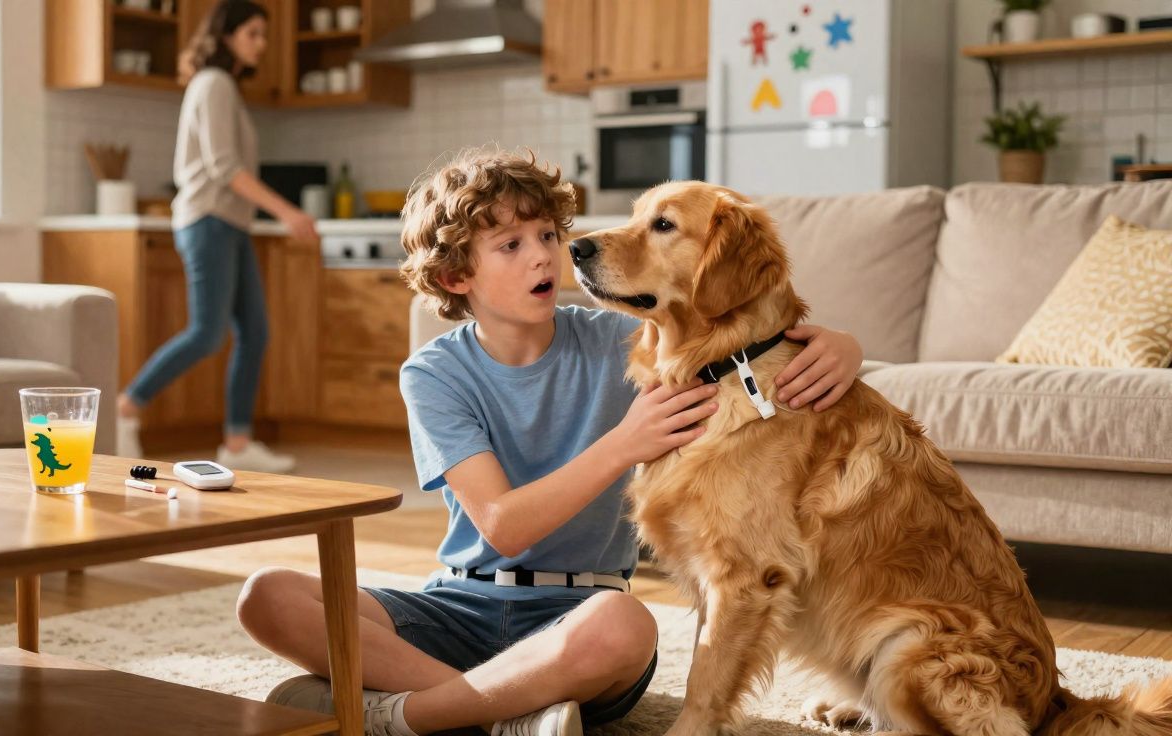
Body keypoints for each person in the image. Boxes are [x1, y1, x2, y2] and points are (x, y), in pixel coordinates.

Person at [234, 149, 864, 735]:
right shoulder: (433, 374)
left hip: (580, 615)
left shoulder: (624, 341)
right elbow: (503, 527)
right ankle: (506, 712)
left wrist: (844, 346)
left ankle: (404, 714)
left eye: (546, 236)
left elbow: (740, 349)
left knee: (626, 624)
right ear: (455, 276)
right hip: (459, 605)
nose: (543, 257)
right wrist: (624, 444)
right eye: (511, 245)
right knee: (267, 595)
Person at [115, 0, 317, 473]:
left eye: (263, 34)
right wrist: (287, 212)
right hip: (207, 221)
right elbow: (225, 168)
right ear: (225, 36)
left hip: (229, 223)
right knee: (207, 334)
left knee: (255, 332)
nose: (261, 44)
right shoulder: (214, 83)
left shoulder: (223, 86)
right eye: (252, 33)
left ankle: (238, 446)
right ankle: (126, 408)